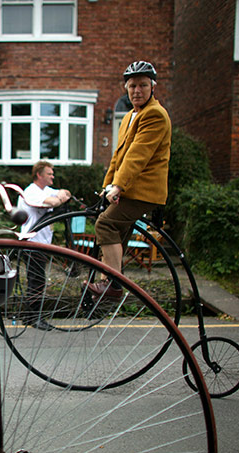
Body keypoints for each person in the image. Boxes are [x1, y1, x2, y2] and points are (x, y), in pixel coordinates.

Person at [88, 60, 171, 298]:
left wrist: (119, 185)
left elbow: (138, 156)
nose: (137, 91)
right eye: (132, 85)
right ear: (126, 87)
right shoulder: (129, 117)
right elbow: (119, 156)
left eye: (143, 85)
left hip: (144, 190)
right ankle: (107, 286)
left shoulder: (154, 114)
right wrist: (108, 186)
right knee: (117, 233)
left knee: (106, 224)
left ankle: (113, 285)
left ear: (152, 87)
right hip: (128, 189)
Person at [17, 161, 71, 327]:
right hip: (32, 242)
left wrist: (59, 197)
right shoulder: (31, 192)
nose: (52, 176)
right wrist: (58, 199)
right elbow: (54, 203)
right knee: (37, 280)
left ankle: (29, 316)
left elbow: (65, 193)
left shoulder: (46, 190)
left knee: (37, 279)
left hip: (42, 242)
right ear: (39, 175)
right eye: (49, 174)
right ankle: (34, 318)